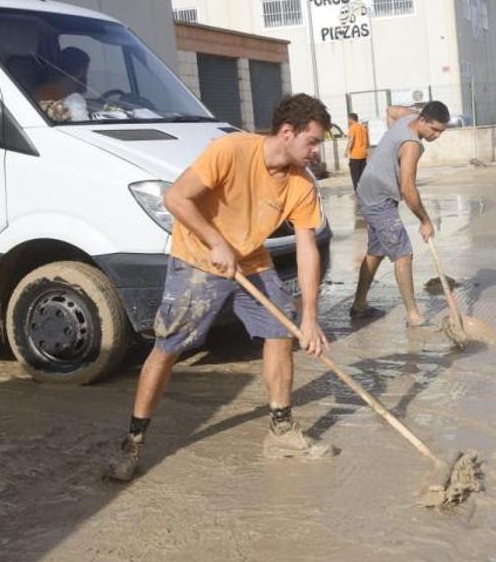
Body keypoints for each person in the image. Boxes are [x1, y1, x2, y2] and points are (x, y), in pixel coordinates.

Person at [106, 93, 332, 482]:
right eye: (312, 142)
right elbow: (176, 197)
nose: (316, 152)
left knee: (281, 331)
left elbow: (307, 248)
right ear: (287, 132)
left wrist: (309, 316)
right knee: (168, 347)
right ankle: (134, 441)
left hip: (251, 262)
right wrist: (216, 242)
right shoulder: (231, 150)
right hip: (198, 258)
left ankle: (280, 431)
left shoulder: (301, 184)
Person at [349, 101, 450, 326]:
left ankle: (359, 305)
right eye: (434, 130)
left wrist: (419, 114)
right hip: (379, 198)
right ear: (422, 121)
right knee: (403, 253)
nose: (436, 136)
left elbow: (390, 110)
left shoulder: (406, 118)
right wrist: (425, 220)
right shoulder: (411, 144)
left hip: (368, 190)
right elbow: (408, 188)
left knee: (376, 252)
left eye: (441, 131)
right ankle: (413, 316)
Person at [35, 47, 91, 121]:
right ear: (81, 72)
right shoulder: (46, 99)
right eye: (86, 72)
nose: (88, 78)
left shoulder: (47, 92)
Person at [346, 112, 369, 191]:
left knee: (355, 175)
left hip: (355, 155)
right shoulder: (363, 127)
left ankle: (357, 191)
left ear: (351, 119)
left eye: (348, 119)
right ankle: (364, 190)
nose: (348, 121)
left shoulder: (352, 127)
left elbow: (351, 140)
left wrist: (346, 150)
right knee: (362, 174)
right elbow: (367, 142)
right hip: (363, 154)